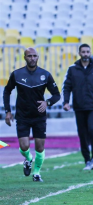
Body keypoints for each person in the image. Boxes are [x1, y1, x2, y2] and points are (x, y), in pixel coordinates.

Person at [3, 48, 60, 182]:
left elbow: (56, 94)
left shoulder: (45, 75)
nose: (32, 58)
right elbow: (7, 91)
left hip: (39, 116)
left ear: (38, 57)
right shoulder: (16, 74)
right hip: (22, 116)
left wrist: (48, 102)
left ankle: (37, 173)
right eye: (29, 56)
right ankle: (28, 159)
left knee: (40, 147)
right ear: (25, 57)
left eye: (34, 56)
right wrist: (8, 111)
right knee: (24, 147)